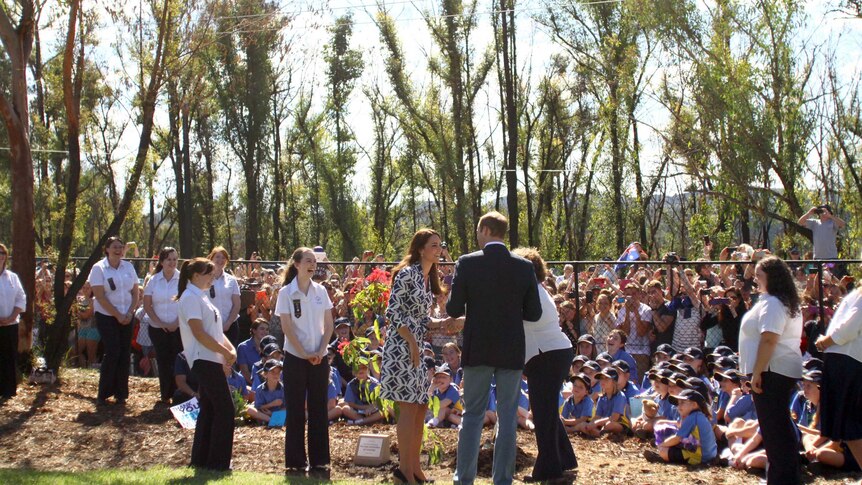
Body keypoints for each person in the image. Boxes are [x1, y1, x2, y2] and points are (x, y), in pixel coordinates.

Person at [447, 211, 542, 485]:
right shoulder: (524, 267)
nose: (477, 236)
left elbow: (454, 308)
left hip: (478, 350)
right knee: (508, 416)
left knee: (473, 415)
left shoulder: (467, 263)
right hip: (511, 350)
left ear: (486, 230)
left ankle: (463, 478)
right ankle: (502, 479)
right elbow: (534, 313)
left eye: (478, 231)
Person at [380, 228, 449, 484]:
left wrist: (446, 323)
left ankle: (415, 469)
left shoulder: (427, 277)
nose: (438, 250)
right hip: (402, 350)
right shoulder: (407, 274)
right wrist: (411, 344)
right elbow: (394, 313)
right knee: (408, 409)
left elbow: (421, 319)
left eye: (440, 245)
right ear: (420, 248)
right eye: (434, 245)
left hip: (417, 349)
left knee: (420, 408)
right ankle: (404, 471)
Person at [513, 246, 577, 482]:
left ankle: (549, 470)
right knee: (546, 410)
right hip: (550, 353)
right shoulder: (537, 289)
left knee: (542, 414)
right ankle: (565, 459)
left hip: (547, 355)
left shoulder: (531, 293)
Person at [738, 256, 803, 484]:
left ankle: (782, 478)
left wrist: (757, 372)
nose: (755, 279)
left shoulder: (774, 303)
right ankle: (782, 476)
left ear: (772, 278)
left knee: (775, 430)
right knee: (777, 427)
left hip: (772, 372)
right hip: (772, 371)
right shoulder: (776, 300)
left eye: (759, 275)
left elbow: (769, 340)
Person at [275, 247, 334, 474]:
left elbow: (328, 325)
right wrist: (304, 353)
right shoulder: (286, 293)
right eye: (308, 261)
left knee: (319, 408)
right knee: (296, 410)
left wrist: (320, 350)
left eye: (314, 262)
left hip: (319, 359)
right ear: (297, 264)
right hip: (295, 359)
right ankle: (296, 462)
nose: (312, 265)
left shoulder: (321, 291)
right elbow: (287, 328)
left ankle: (320, 461)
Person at [177, 257, 236, 471]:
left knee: (210, 409)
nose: (212, 278)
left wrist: (230, 350)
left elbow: (216, 332)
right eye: (208, 274)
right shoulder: (190, 298)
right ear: (195, 276)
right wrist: (224, 352)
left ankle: (201, 459)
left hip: (212, 358)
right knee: (225, 409)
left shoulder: (201, 297)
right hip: (204, 359)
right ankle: (218, 462)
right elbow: (199, 333)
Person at [815, 282, 862, 473]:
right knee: (849, 428)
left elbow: (850, 328)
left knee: (850, 426)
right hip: (845, 362)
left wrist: (825, 341)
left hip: (847, 363)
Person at [89, 236, 140, 406]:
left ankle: (121, 393)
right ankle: (104, 393)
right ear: (107, 249)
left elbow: (135, 292)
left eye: (120, 246)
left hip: (127, 315)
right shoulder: (99, 268)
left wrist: (130, 312)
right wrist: (117, 315)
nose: (118, 250)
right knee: (112, 351)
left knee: (125, 353)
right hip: (107, 316)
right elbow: (100, 296)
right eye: (114, 247)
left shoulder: (129, 267)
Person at [143, 247, 181, 404]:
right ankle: (166, 394)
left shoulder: (183, 279)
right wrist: (161, 323)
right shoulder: (153, 280)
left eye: (174, 259)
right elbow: (147, 305)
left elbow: (187, 303)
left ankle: (179, 394)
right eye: (169, 259)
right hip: (157, 328)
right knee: (163, 361)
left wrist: (175, 323)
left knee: (177, 360)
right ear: (162, 262)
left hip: (178, 327)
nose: (172, 262)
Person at [0, 243, 25, 399]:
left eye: (3, 253)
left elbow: (21, 298)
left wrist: (11, 316)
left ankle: (8, 390)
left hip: (10, 324)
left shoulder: (12, 277)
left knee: (9, 356)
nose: (0, 255)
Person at [207, 246, 242, 347]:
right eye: (217, 257)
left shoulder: (231, 280)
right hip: (210, 327)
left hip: (230, 326)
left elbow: (237, 304)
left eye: (223, 258)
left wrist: (228, 323)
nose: (220, 260)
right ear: (211, 258)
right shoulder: (204, 278)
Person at [74, 282, 99, 368]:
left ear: (91, 289)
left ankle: (93, 370)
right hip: (82, 328)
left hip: (92, 328)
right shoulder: (79, 299)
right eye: (83, 287)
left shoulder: (94, 301)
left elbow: (86, 315)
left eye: (87, 288)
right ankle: (84, 367)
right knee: (77, 350)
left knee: (91, 353)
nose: (85, 290)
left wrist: (77, 311)